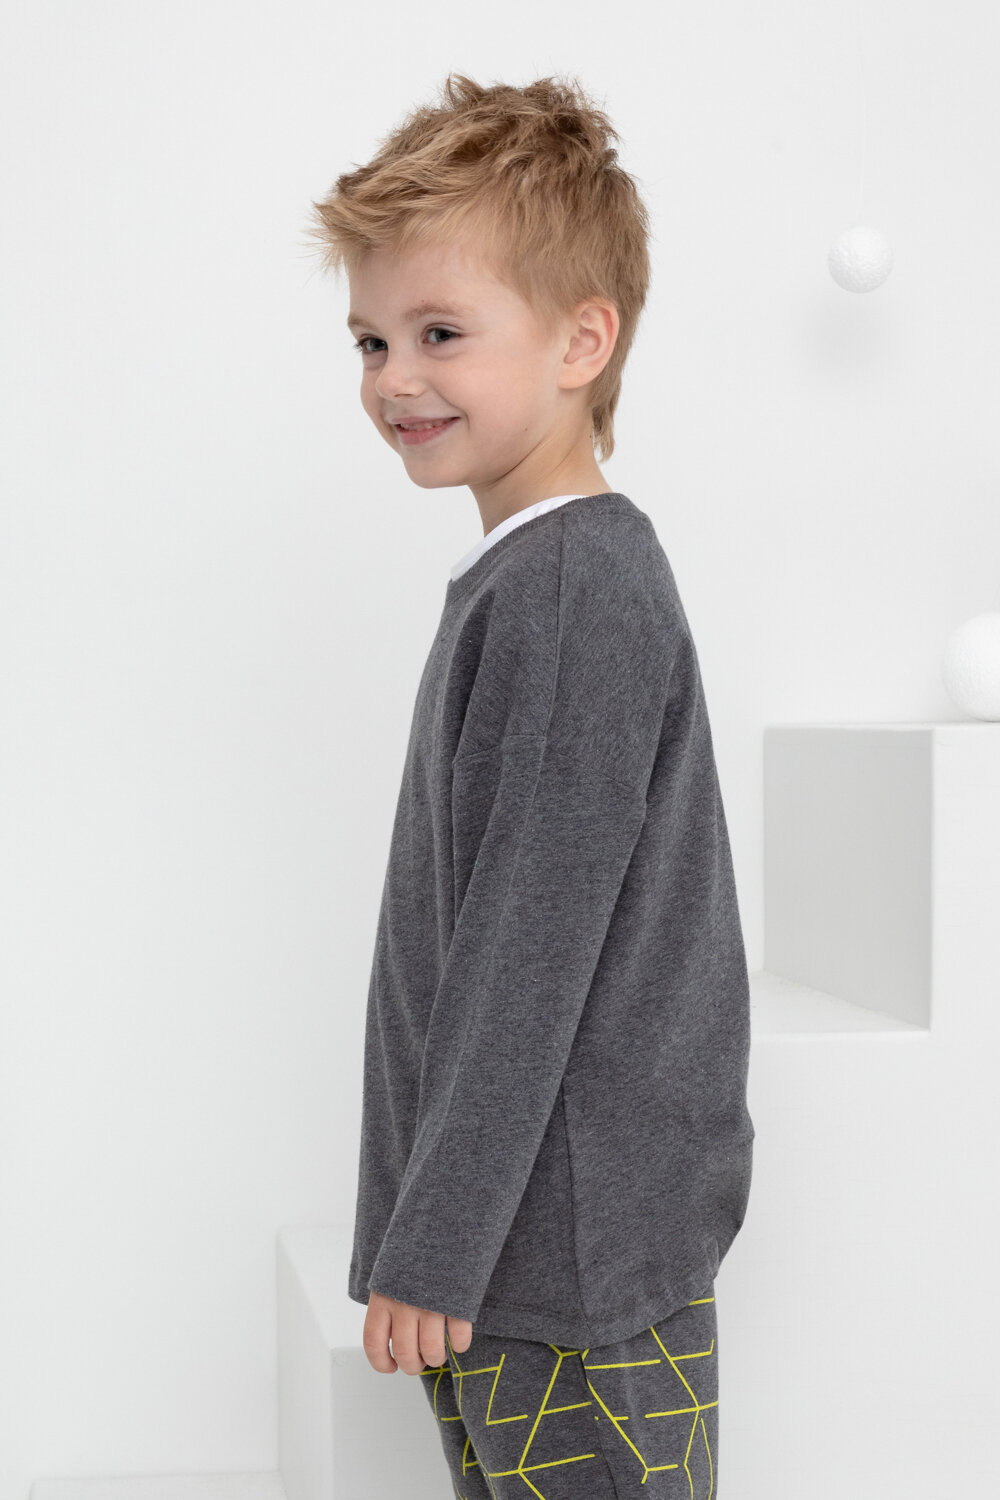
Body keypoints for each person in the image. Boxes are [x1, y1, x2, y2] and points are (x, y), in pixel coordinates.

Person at [303, 71, 755, 1499]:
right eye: (372, 339)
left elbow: (526, 950)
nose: (395, 378)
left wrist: (435, 1246)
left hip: (565, 1264)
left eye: (440, 333)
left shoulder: (569, 590)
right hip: (532, 1248)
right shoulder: (534, 578)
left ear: (581, 340)